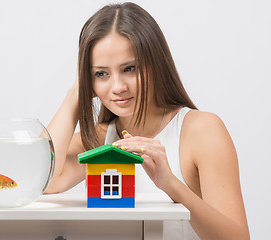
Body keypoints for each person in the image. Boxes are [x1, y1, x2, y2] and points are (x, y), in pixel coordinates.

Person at [44, 2, 249, 239]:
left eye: (130, 68)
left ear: (156, 64)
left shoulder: (201, 130)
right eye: (101, 74)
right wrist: (74, 97)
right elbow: (41, 181)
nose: (118, 87)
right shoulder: (100, 140)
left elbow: (238, 237)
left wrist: (171, 184)